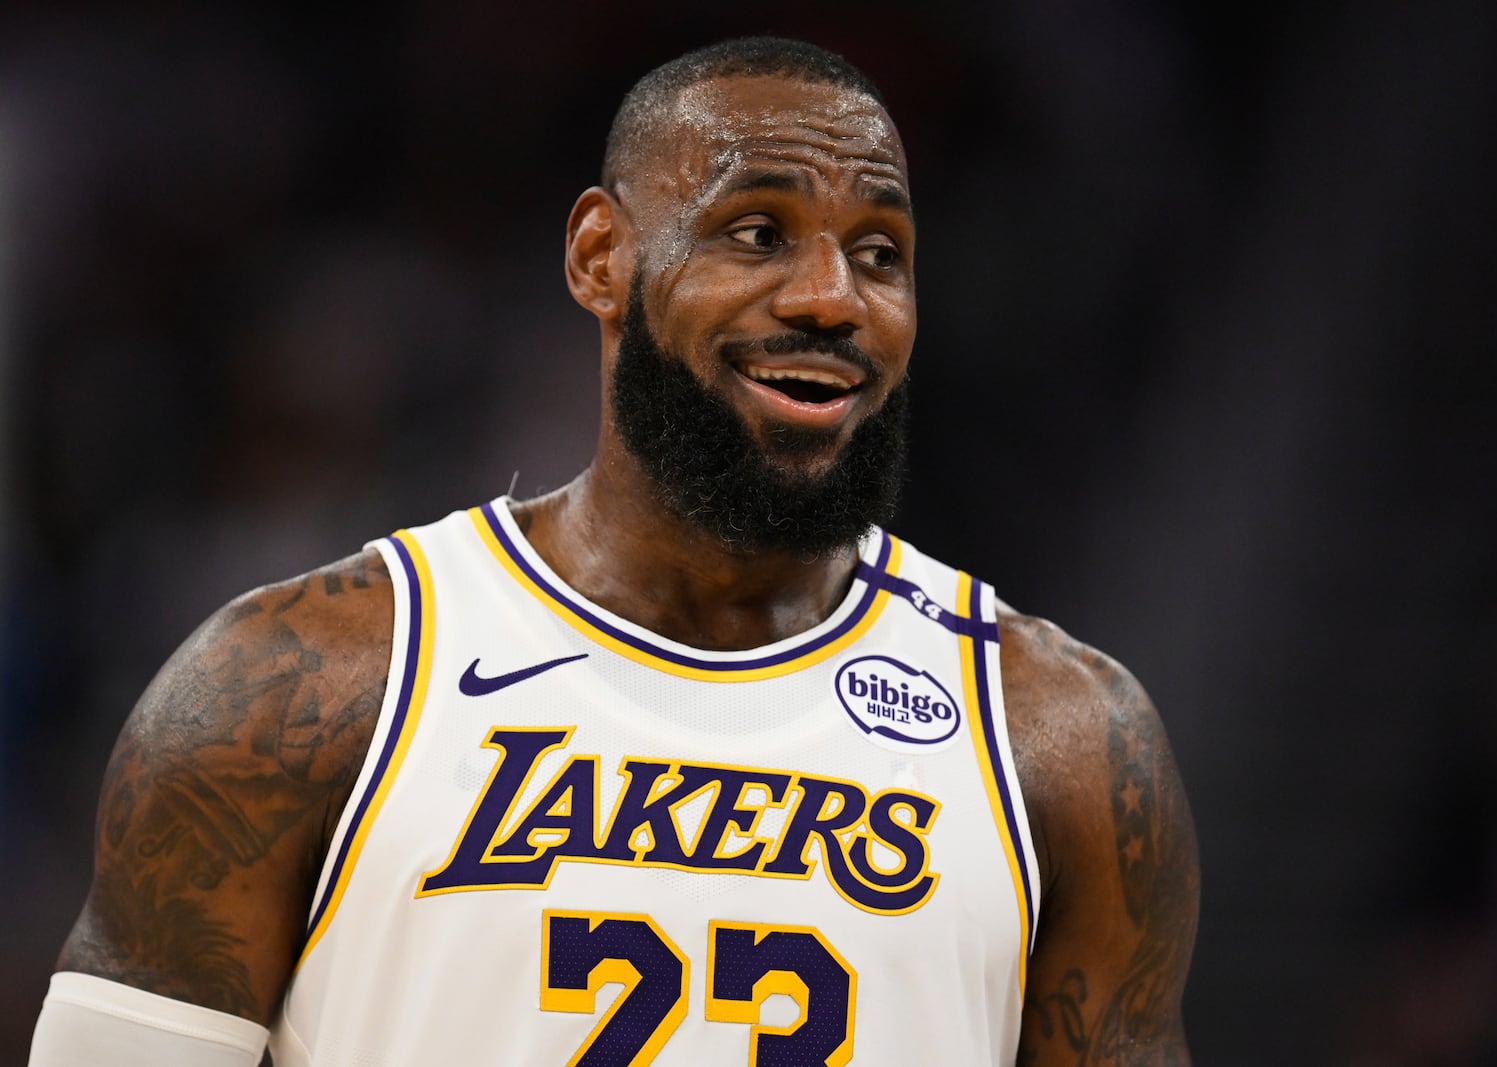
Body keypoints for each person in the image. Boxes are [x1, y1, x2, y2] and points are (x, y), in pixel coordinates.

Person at [29, 36, 1199, 1067]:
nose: (834, 297)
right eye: (759, 232)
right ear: (600, 256)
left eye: (881, 251)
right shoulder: (300, 686)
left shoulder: (1059, 740)